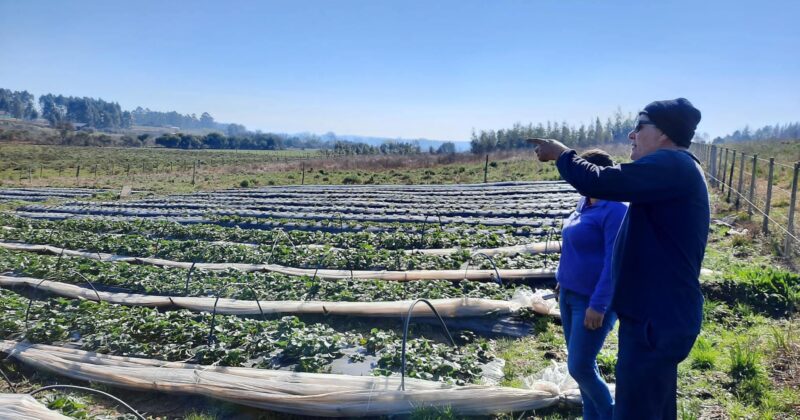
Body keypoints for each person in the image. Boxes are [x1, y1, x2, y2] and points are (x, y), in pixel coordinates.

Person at [529, 98, 708, 420]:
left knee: (637, 409)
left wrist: (562, 154)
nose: (631, 135)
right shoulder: (674, 171)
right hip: (655, 313)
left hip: (657, 316)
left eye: (640, 126)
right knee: (649, 405)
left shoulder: (674, 165)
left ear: (665, 133)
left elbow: (604, 181)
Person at [556, 149, 627, 420]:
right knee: (583, 364)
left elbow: (613, 262)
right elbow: (572, 247)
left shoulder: (616, 210)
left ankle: (609, 414)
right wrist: (561, 280)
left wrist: (599, 304)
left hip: (592, 301)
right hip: (569, 294)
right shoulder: (584, 203)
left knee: (580, 367)